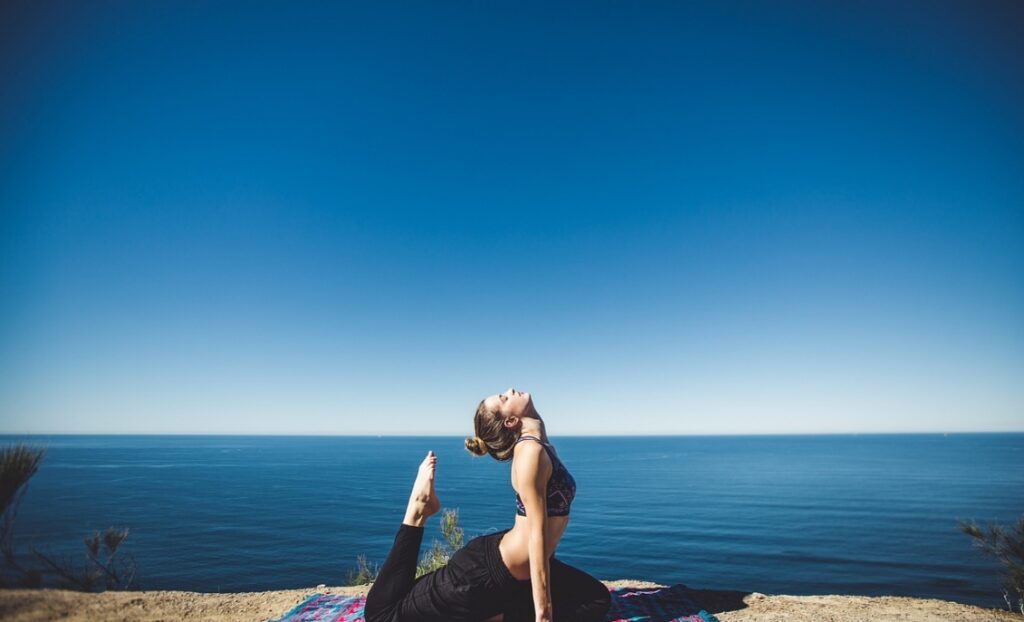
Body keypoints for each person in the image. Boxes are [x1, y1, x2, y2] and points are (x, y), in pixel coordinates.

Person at [364, 388, 611, 622]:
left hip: (515, 572)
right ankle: (417, 510)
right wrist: (543, 615)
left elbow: (544, 535)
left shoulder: (542, 446)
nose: (511, 390)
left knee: (597, 599)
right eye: (504, 398)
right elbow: (537, 535)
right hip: (481, 575)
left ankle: (492, 615)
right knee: (383, 615)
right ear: (511, 421)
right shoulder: (529, 452)